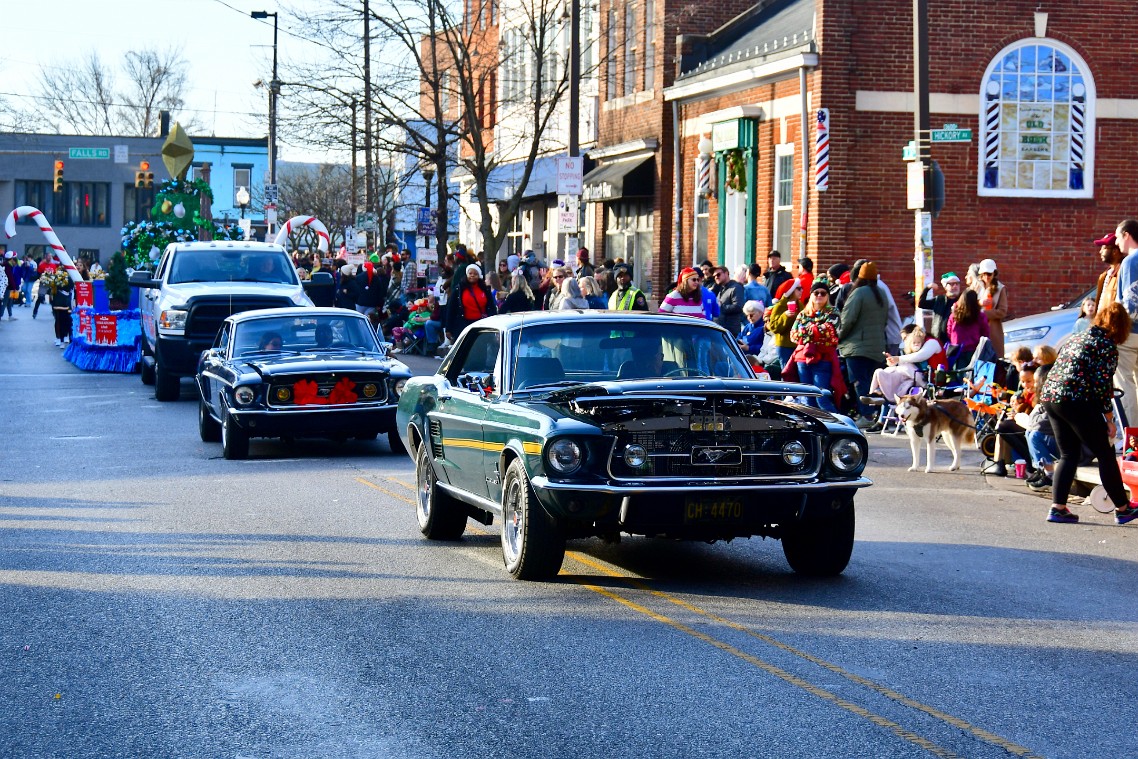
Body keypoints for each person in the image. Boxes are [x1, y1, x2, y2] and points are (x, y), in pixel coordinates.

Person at [1038, 302, 1138, 525]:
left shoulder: (1078, 337)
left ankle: (1058, 508)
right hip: (1076, 399)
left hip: (1052, 397)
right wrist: (1109, 420)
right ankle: (1123, 509)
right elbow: (1103, 388)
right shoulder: (1106, 346)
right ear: (1121, 327)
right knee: (1104, 452)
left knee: (1068, 454)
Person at [839, 262, 890, 424]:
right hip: (877, 346)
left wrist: (838, 337)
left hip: (857, 347)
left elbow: (847, 320)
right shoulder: (881, 293)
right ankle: (875, 414)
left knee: (859, 382)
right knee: (873, 383)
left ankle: (866, 415)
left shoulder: (858, 293)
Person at [787, 280, 843, 412]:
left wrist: (805, 331)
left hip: (823, 359)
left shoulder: (832, 312)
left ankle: (837, 426)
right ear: (811, 295)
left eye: (823, 293)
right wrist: (815, 331)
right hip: (802, 359)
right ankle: (812, 428)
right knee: (807, 399)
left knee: (821, 397)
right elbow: (793, 335)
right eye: (816, 293)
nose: (819, 295)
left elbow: (830, 331)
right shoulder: (802, 313)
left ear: (827, 296)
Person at [863, 323, 946, 412]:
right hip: (914, 377)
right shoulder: (914, 347)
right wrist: (892, 361)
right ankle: (876, 393)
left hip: (932, 379)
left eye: (905, 338)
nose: (905, 342)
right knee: (884, 372)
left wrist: (898, 359)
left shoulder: (932, 342)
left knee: (904, 370)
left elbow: (921, 356)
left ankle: (880, 394)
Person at [1113, 218, 1138, 427]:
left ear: (1127, 235)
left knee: (1124, 384)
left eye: (1118, 237)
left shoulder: (1131, 261)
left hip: (1130, 332)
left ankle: (1132, 437)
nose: (1117, 244)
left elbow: (1131, 304)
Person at [446, 263, 497, 335]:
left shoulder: (485, 289)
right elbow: (451, 308)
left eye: (475, 274)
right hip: (463, 324)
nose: (472, 275)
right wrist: (448, 328)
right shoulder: (459, 289)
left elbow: (491, 307)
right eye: (470, 273)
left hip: (482, 324)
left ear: (479, 276)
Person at [946, 289, 989, 370]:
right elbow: (985, 332)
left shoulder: (954, 315)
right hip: (974, 349)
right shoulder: (979, 316)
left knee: (959, 374)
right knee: (973, 374)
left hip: (957, 350)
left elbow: (949, 331)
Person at [917, 272, 964, 346]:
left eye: (957, 283)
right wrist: (927, 288)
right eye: (951, 284)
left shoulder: (962, 300)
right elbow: (921, 304)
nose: (955, 286)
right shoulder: (939, 300)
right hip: (938, 338)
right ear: (945, 286)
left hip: (955, 339)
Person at [766, 281, 804, 370]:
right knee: (787, 373)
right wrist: (785, 316)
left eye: (802, 288)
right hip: (785, 346)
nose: (801, 291)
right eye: (798, 289)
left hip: (798, 345)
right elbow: (773, 327)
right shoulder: (780, 305)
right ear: (791, 291)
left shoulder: (800, 304)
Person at [975, 258, 1009, 357]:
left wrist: (983, 314)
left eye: (989, 274)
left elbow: (1002, 311)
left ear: (994, 273)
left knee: (993, 359)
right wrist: (979, 303)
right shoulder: (976, 286)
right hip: (977, 329)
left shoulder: (1000, 288)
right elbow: (968, 304)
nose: (986, 277)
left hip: (992, 329)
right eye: (984, 274)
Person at [711, 266, 745, 335]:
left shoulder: (736, 287)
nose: (716, 277)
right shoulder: (720, 288)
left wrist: (721, 307)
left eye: (718, 274)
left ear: (726, 273)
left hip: (730, 332)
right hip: (720, 329)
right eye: (714, 276)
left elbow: (738, 307)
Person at [50, 271, 73, 348]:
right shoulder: (58, 279)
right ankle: (60, 337)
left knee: (69, 321)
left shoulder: (73, 277)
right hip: (60, 302)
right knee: (60, 319)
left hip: (71, 301)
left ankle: (67, 337)